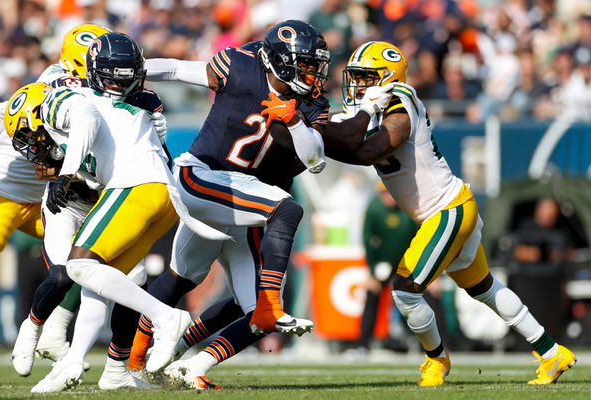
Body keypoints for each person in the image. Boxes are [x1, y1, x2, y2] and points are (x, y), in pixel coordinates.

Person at [273, 40, 576, 386]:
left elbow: (370, 151)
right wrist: (298, 130)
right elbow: (338, 137)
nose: (357, 86)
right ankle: (552, 353)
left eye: (365, 78)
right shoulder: (369, 108)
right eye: (354, 78)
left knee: (404, 289)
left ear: (386, 78)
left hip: (448, 210)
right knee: (483, 287)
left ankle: (437, 360)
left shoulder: (401, 101)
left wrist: (316, 136)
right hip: (448, 209)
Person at [126, 20, 330, 388]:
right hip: (202, 177)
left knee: (243, 310)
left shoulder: (312, 102)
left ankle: (188, 363)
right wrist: (124, 71)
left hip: (244, 207)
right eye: (306, 65)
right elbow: (174, 68)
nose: (314, 74)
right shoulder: (241, 65)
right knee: (288, 209)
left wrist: (294, 120)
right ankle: (128, 362)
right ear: (281, 62)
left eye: (316, 66)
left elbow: (315, 158)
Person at [2, 59, 226, 390]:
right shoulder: (113, 102)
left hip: (134, 186)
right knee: (101, 281)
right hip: (157, 192)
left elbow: (86, 118)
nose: (33, 147)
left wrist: (66, 172)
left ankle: (167, 317)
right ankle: (96, 367)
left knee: (77, 267)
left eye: (29, 136)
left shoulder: (56, 102)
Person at [10, 32, 175, 392]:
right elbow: (33, 136)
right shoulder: (57, 91)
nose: (119, 82)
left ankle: (115, 366)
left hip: (106, 197)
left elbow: (153, 145)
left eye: (125, 74)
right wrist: (60, 171)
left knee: (127, 279)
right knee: (64, 275)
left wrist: (156, 129)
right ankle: (33, 329)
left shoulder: (136, 100)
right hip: (65, 200)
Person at [0, 23, 110, 372]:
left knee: (90, 254)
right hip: (4, 193)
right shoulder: (58, 85)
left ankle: (55, 333)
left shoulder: (96, 88)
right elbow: (21, 124)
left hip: (45, 198)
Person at [356, 181, 418, 352]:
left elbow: (418, 238)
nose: (390, 197)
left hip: (407, 262)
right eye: (386, 193)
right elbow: (368, 242)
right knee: (372, 293)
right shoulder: (374, 209)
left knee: (419, 294)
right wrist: (371, 272)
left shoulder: (408, 209)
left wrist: (421, 270)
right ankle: (363, 343)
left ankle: (429, 343)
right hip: (383, 264)